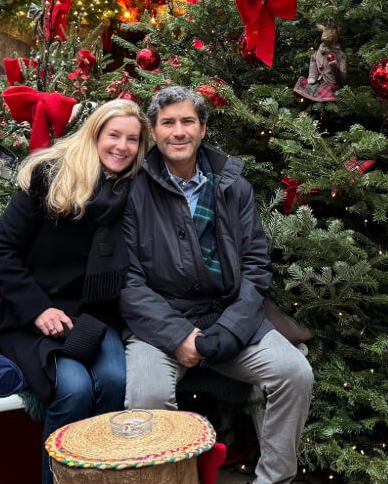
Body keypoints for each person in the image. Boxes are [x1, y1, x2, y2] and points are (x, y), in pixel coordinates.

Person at [120, 86, 313, 484]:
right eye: (167, 123)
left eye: (187, 121)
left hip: (228, 319)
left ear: (203, 129)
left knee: (295, 373)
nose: (178, 132)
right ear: (153, 133)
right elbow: (128, 282)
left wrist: (230, 329)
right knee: (146, 399)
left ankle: (273, 479)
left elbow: (256, 266)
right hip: (160, 326)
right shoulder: (132, 190)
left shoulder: (232, 187)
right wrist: (177, 336)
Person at [0, 99, 150, 484]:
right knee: (73, 389)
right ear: (94, 134)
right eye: (114, 135)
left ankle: (102, 477)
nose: (121, 147)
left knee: (116, 381)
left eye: (132, 139)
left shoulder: (136, 191)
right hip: (35, 316)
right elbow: (1, 250)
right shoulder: (50, 176)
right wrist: (38, 309)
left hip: (94, 319)